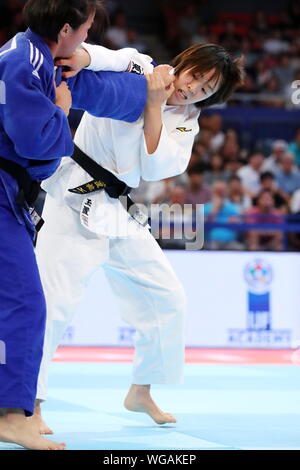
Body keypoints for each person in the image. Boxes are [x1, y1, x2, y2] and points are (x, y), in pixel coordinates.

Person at [33, 43, 244, 434]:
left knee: (167, 299)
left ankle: (141, 390)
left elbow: (157, 165)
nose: (193, 89)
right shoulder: (142, 69)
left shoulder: (185, 120)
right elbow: (106, 56)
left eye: (206, 90)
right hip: (72, 200)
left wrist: (153, 106)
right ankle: (30, 403)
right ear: (184, 65)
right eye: (195, 77)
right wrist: (81, 58)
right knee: (54, 305)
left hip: (119, 211)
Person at [0, 0, 155, 451]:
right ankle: (13, 414)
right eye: (86, 28)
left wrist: (154, 89)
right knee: (26, 305)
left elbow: (120, 82)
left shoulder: (29, 54)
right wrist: (63, 110)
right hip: (6, 189)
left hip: (12, 193)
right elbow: (41, 150)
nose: (88, 36)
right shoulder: (24, 66)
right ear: (66, 28)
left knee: (18, 303)